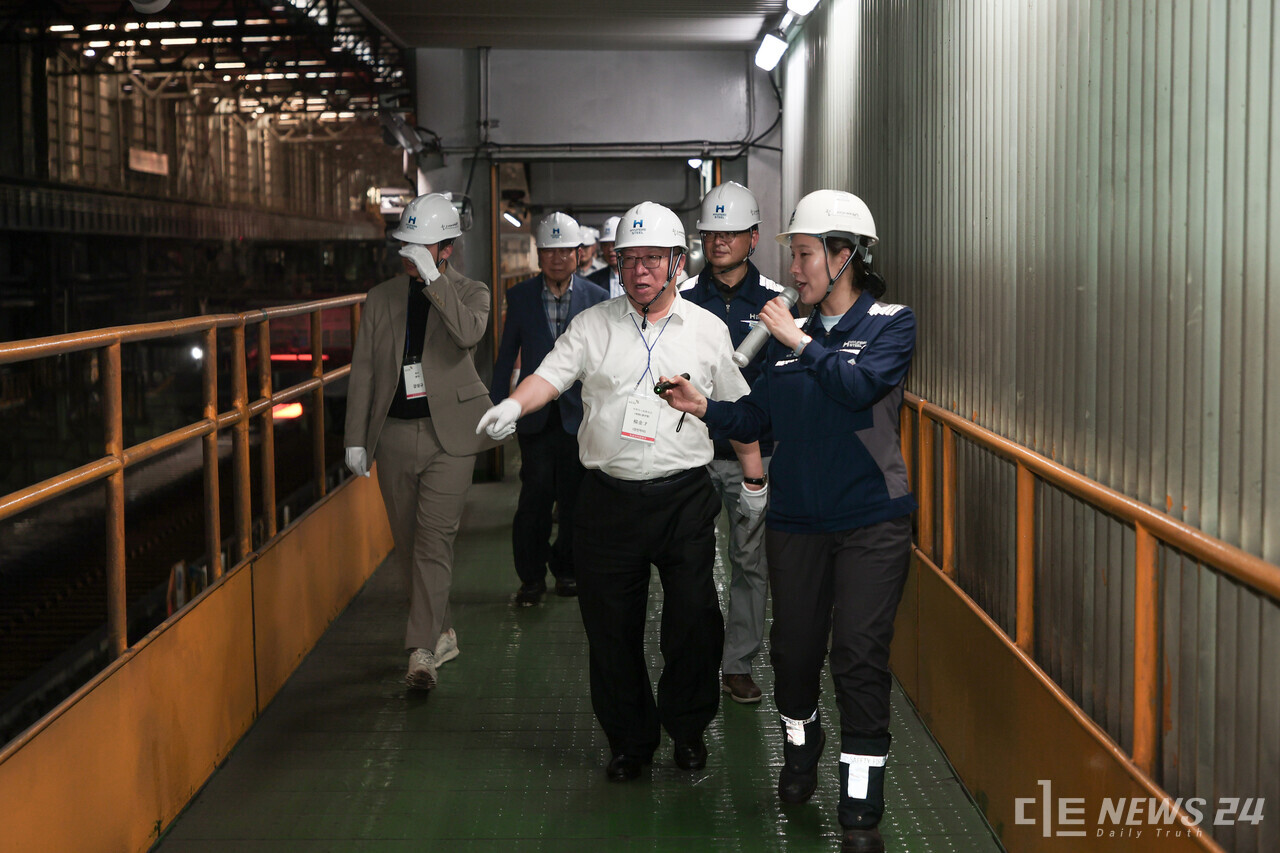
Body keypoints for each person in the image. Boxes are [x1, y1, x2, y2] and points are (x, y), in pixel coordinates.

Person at [658, 190, 916, 853]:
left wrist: (800, 339)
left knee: (858, 655)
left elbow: (858, 388)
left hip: (871, 521)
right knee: (794, 655)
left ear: (844, 255)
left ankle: (861, 805)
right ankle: (801, 744)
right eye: (794, 256)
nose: (794, 270)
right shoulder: (783, 337)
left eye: (804, 255)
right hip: (797, 519)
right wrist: (705, 407)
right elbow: (757, 417)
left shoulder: (890, 324)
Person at [476, 202, 766, 783]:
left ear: (677, 263)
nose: (640, 271)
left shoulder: (707, 330)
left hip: (684, 499)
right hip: (606, 500)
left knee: (695, 622)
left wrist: (754, 481)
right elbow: (549, 375)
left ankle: (687, 728)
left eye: (653, 259)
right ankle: (630, 741)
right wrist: (513, 404)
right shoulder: (592, 325)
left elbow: (738, 412)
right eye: (629, 259)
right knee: (611, 630)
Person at [344, 192, 500, 691]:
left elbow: (468, 335)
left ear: (446, 249)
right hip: (392, 434)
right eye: (405, 244)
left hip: (448, 438)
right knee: (410, 545)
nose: (409, 253)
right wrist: (356, 438)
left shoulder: (472, 292)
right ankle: (442, 631)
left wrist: (434, 281)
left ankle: (421, 652)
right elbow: (365, 370)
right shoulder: (381, 297)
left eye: (422, 245)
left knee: (434, 541)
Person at [679, 181, 789, 705]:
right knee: (690, 562)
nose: (719, 241)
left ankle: (738, 664)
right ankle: (697, 658)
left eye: (731, 232)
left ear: (754, 237)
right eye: (710, 233)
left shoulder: (776, 303)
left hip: (755, 457)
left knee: (749, 563)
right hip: (691, 456)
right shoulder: (681, 300)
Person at [491, 212, 608, 606]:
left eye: (565, 251)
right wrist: (500, 403)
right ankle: (531, 578)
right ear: (538, 255)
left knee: (576, 500)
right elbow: (507, 354)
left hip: (580, 416)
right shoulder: (520, 297)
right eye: (549, 251)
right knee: (535, 498)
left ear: (578, 253)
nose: (557, 259)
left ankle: (567, 569)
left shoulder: (597, 298)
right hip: (535, 418)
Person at [587, 215, 623, 298]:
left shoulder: (640, 276)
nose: (610, 249)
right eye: (605, 245)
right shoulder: (592, 281)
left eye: (614, 243)